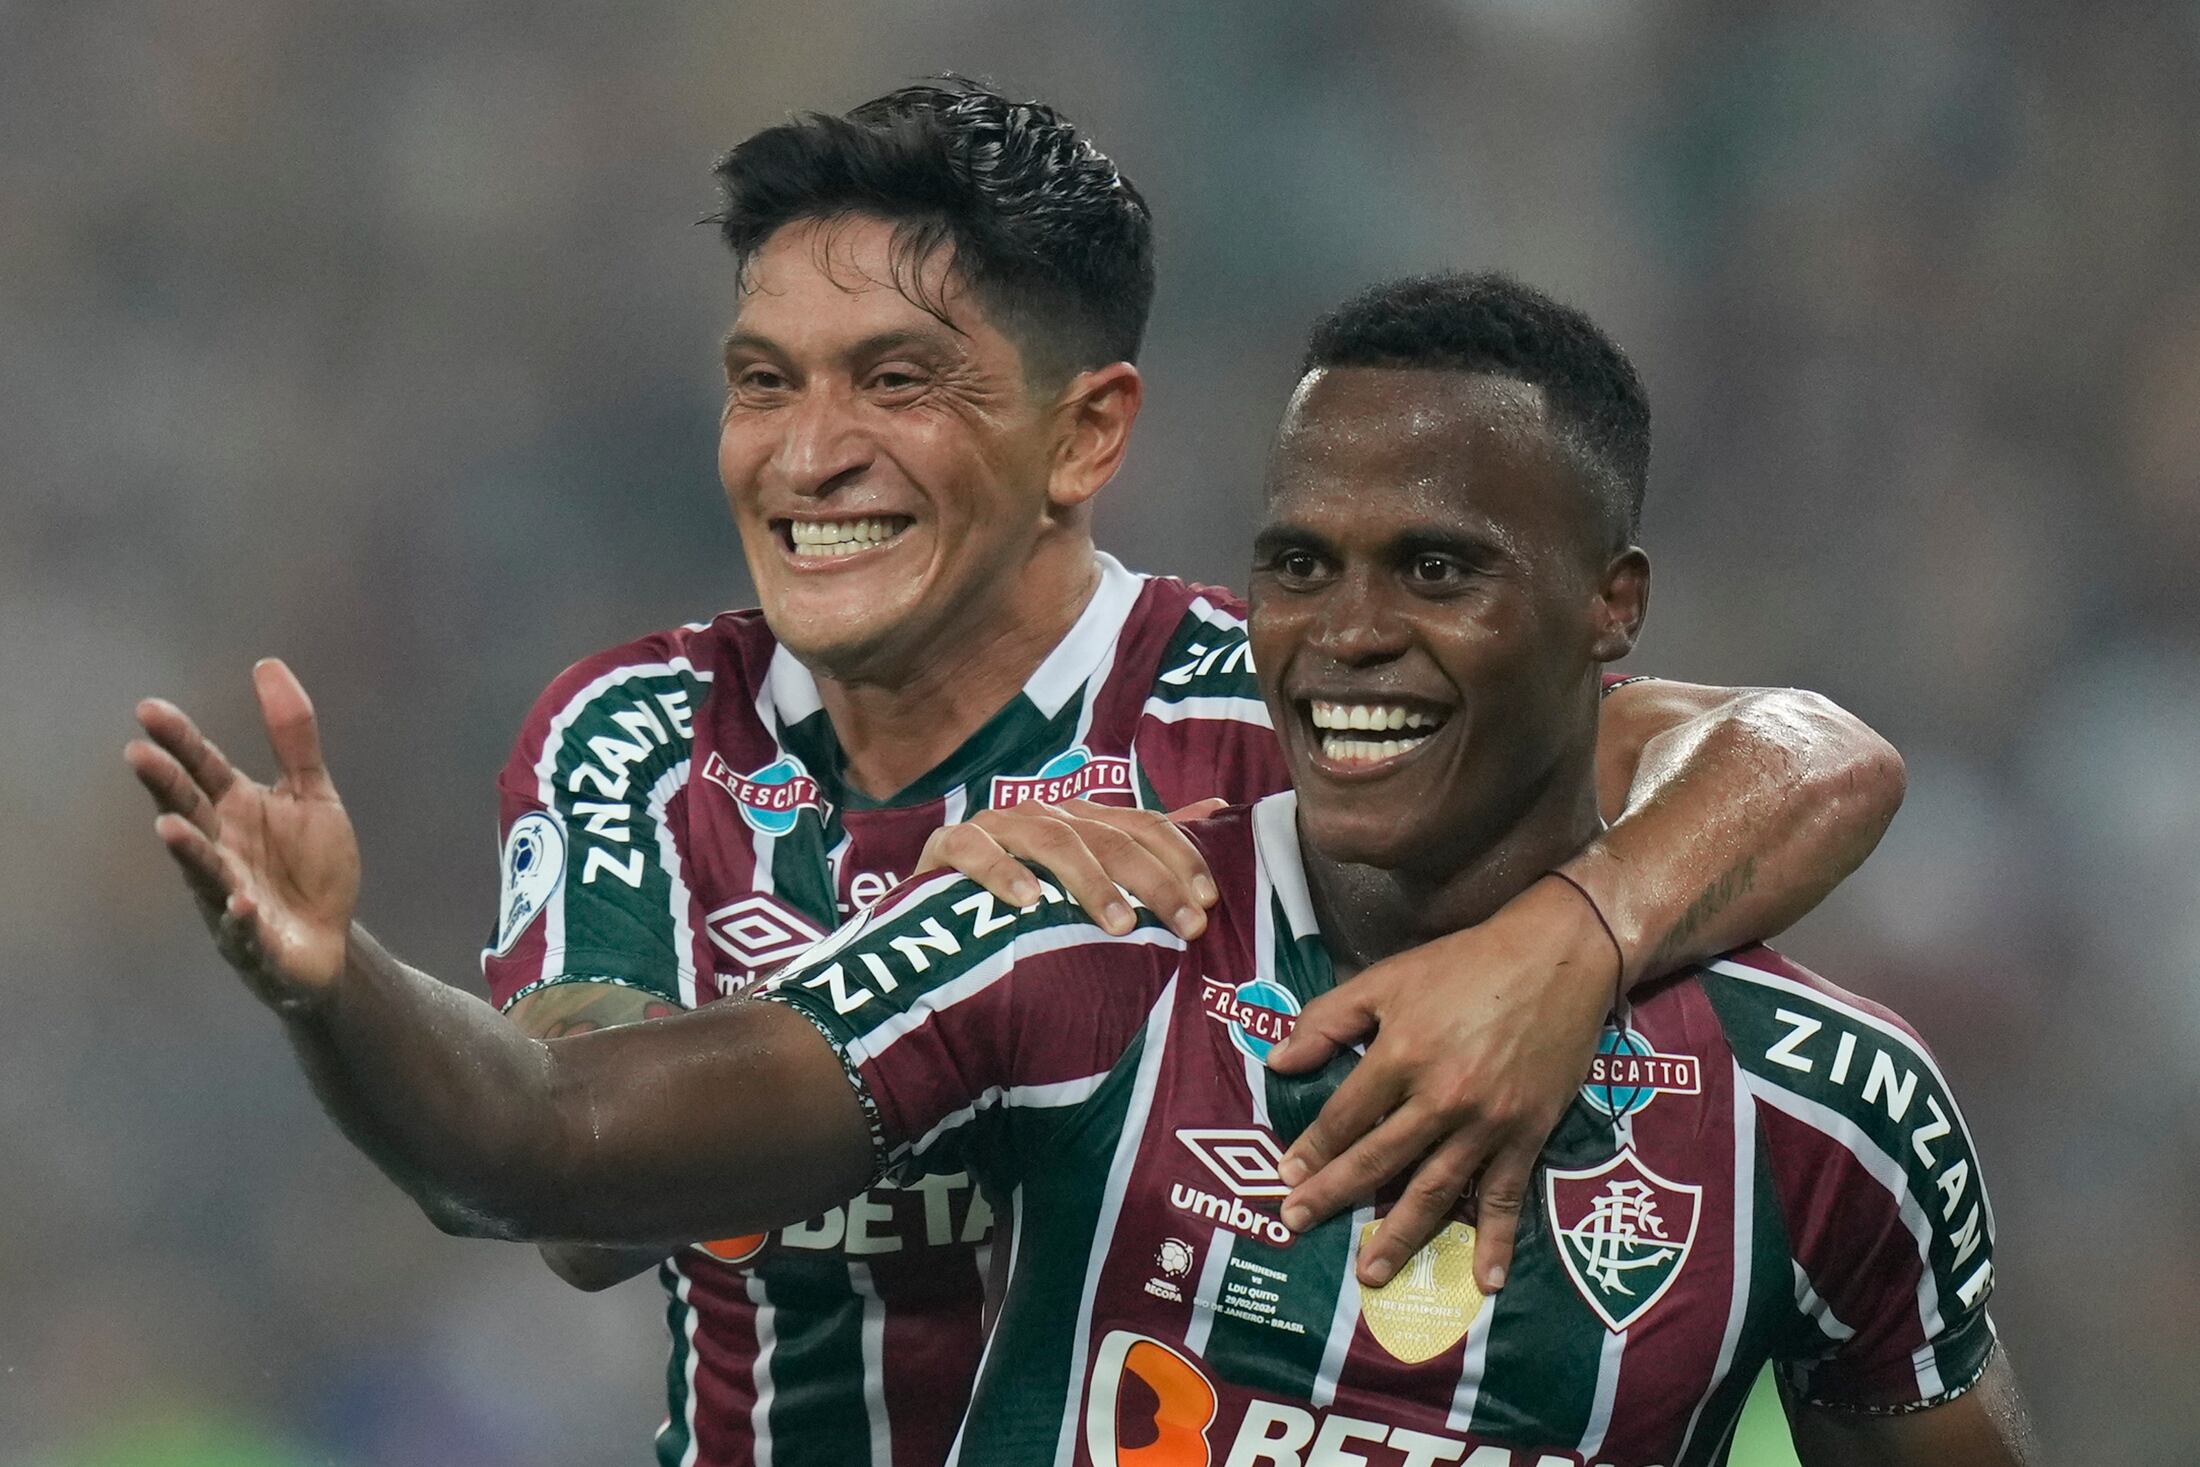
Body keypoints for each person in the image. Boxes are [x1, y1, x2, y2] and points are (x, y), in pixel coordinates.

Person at [124, 92, 1914, 1467]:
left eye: (896, 381)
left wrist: (1570, 948)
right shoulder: (641, 730)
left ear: (1088, 433)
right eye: (767, 382)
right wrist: (341, 982)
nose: (812, 454)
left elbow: (1809, 758)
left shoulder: (1284, 695)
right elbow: (570, 1165)